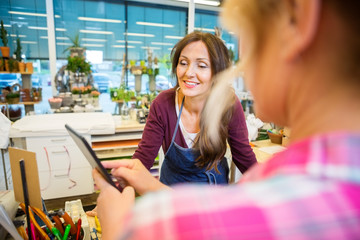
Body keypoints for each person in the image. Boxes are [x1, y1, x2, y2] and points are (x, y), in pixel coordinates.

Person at [93, 0, 360, 239]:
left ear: (296, 18)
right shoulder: (287, 178)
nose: (242, 67)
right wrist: (128, 180)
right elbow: (143, 159)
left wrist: (117, 226)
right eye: (183, 63)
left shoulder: (165, 223)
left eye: (247, 36)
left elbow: (244, 160)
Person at [132, 31, 256, 185]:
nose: (189, 73)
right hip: (170, 192)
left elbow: (243, 156)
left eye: (202, 65)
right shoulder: (163, 104)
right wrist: (119, 186)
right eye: (183, 63)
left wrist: (273, 188)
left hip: (213, 192)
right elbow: (143, 158)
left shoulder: (228, 104)